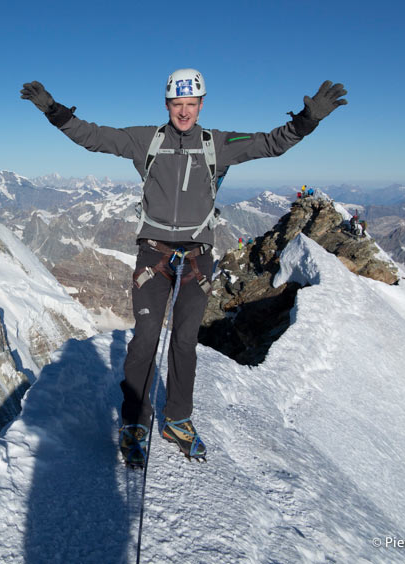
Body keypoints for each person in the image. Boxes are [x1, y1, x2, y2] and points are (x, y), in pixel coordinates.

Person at [21, 70, 347, 465]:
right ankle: (134, 423)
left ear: (201, 105)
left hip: (197, 257)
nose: (184, 112)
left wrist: (306, 121)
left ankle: (178, 419)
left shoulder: (218, 145)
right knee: (144, 340)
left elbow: (270, 144)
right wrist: (54, 111)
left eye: (191, 105)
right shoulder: (146, 140)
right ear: (167, 105)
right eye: (178, 105)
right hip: (152, 254)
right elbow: (95, 137)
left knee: (184, 341)